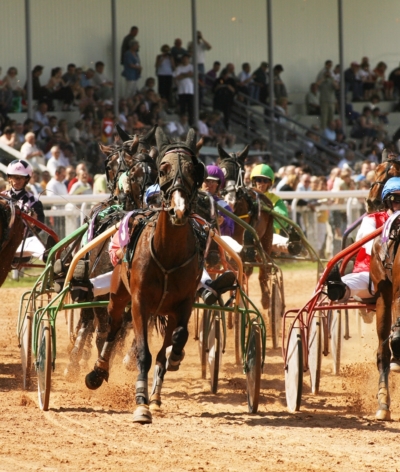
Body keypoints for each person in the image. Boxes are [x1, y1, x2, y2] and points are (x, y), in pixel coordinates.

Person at [1, 159, 50, 261]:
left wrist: (34, 224)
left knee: (36, 243)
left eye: (20, 178)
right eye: (14, 177)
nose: (17, 181)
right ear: (9, 178)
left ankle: (52, 261)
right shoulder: (1, 198)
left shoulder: (34, 202)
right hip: (2, 242)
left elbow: (39, 226)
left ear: (26, 180)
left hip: (22, 244)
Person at [250, 164, 301, 255]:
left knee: (272, 240)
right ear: (254, 181)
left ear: (270, 183)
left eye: (265, 180)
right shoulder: (247, 197)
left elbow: (282, 219)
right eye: (259, 180)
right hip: (248, 235)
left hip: (269, 236)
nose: (261, 183)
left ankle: (294, 246)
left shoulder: (276, 200)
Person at [173, 53, 194, 125]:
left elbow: (192, 74)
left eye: (186, 59)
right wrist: (187, 74)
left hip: (190, 90)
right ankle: (182, 123)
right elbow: (177, 77)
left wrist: (182, 75)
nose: (185, 60)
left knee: (191, 108)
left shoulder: (191, 67)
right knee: (183, 108)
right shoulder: (179, 67)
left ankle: (191, 123)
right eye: (184, 59)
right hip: (181, 90)